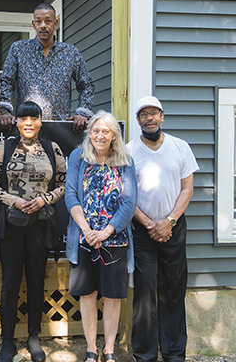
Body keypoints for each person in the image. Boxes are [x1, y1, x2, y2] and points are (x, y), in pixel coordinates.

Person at [0, 101, 67, 362]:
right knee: (10, 282)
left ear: (41, 122)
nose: (29, 123)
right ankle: (7, 341)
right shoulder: (5, 147)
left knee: (36, 280)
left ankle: (34, 337)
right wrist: (14, 200)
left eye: (34, 118)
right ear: (17, 122)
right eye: (24, 118)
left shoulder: (51, 149)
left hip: (41, 224)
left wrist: (45, 199)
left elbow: (65, 184)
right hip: (11, 223)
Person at [126, 96, 199, 362]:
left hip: (174, 228)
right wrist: (149, 224)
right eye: (143, 114)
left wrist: (169, 221)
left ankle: (174, 353)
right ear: (138, 121)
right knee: (144, 294)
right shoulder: (128, 151)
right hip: (141, 230)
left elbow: (187, 189)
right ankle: (144, 355)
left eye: (154, 113)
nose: (149, 118)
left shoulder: (181, 147)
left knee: (173, 290)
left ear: (162, 116)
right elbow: (125, 196)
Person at [64, 111, 137, 362]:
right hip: (84, 240)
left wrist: (106, 231)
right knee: (88, 294)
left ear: (114, 135)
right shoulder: (78, 157)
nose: (100, 135)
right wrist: (87, 230)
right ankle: (91, 350)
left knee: (113, 296)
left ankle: (109, 350)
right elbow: (70, 196)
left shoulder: (125, 160)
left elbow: (129, 202)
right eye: (96, 130)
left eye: (106, 131)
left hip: (114, 240)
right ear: (89, 133)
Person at [0, 3, 94, 133]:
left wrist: (83, 112)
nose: (43, 25)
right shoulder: (18, 49)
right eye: (39, 21)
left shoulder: (70, 52)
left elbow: (86, 84)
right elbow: (7, 82)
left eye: (48, 21)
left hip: (60, 129)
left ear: (55, 23)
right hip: (27, 127)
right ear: (33, 24)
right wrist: (5, 111)